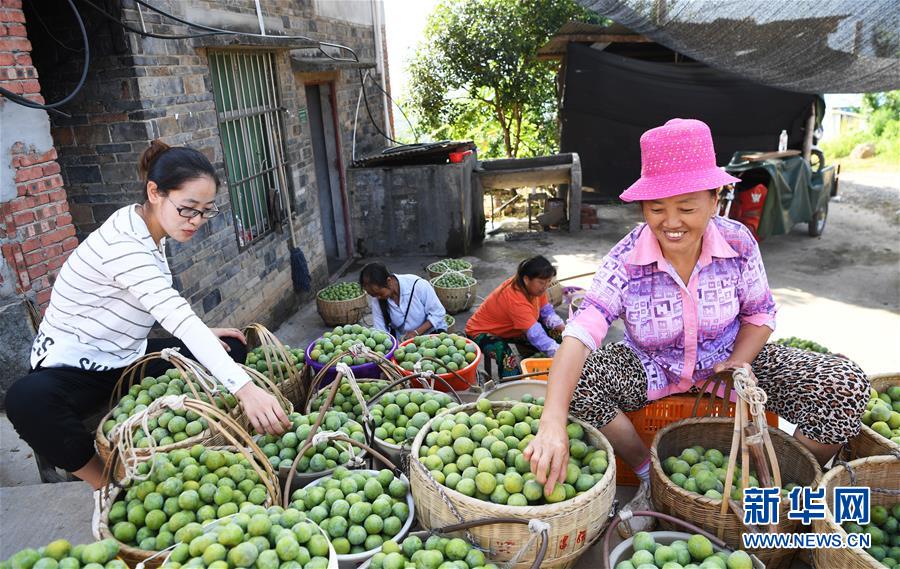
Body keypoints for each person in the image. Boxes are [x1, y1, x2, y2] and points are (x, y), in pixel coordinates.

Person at [522, 119, 868, 535]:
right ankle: (648, 473)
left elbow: (760, 315)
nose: (671, 222)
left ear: (715, 197)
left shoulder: (738, 243)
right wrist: (551, 421)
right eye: (656, 209)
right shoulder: (626, 258)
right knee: (573, 385)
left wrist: (737, 364)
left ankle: (784, 487)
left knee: (844, 383)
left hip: (729, 361)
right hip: (651, 365)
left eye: (687, 207)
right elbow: (581, 331)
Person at [5, 140, 290, 491]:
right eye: (188, 208)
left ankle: (193, 443)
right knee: (26, 401)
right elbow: (175, 313)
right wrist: (246, 391)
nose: (197, 220)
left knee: (231, 346)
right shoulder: (122, 245)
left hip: (126, 356)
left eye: (206, 210)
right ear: (154, 192)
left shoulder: (152, 228)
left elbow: (152, 305)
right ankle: (109, 485)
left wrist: (203, 333)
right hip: (76, 369)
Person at [465, 255, 565, 377]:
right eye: (541, 282)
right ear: (527, 279)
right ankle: (512, 385)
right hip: (481, 331)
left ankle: (533, 361)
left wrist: (559, 325)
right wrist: (557, 352)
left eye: (548, 282)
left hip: (511, 328)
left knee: (557, 333)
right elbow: (535, 334)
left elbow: (546, 310)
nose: (545, 286)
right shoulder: (514, 298)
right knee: (506, 356)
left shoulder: (535, 288)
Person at [359, 262, 447, 341]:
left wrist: (416, 333)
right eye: (373, 295)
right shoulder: (377, 299)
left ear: (389, 281)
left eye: (379, 293)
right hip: (404, 340)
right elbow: (380, 331)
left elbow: (438, 313)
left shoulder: (418, 285)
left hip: (431, 335)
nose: (377, 298)